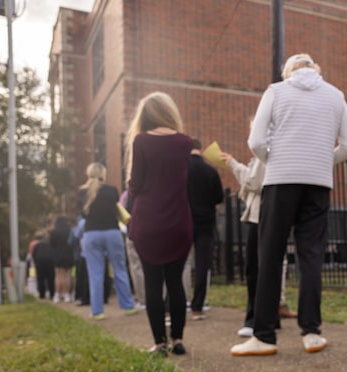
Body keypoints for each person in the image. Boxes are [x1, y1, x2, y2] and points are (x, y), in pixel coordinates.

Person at [230, 53, 347, 356]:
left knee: (270, 255)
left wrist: (276, 161)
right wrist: (323, 160)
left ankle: (263, 335)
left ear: (288, 72)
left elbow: (256, 142)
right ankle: (311, 332)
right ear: (317, 70)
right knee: (311, 256)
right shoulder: (336, 95)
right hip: (318, 184)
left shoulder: (276, 91)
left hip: (280, 181)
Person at [125, 91, 194, 357]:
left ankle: (160, 343)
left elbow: (135, 185)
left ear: (146, 115)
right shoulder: (185, 142)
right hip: (179, 222)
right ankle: (178, 339)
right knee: (175, 282)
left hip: (149, 223)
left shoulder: (141, 141)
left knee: (153, 284)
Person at [221, 152, 294, 339]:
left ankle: (254, 319)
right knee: (267, 267)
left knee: (255, 270)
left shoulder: (265, 153)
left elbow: (254, 182)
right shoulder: (270, 153)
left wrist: (233, 163)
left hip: (260, 215)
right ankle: (270, 317)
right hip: (268, 213)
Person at [77, 162, 137, 320]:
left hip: (91, 234)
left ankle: (97, 311)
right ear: (104, 175)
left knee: (95, 273)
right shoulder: (111, 190)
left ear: (88, 175)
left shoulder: (82, 192)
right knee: (119, 269)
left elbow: (82, 215)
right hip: (112, 232)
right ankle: (128, 306)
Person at [186, 139, 224, 320]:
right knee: (202, 264)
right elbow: (218, 199)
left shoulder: (180, 169)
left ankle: (173, 304)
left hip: (183, 221)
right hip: (205, 222)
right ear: (200, 149)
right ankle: (197, 307)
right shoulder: (210, 171)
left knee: (178, 264)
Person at [120, 190, 146, 311]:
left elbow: (120, 212)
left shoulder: (127, 194)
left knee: (136, 266)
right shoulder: (155, 187)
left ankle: (143, 299)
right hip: (152, 230)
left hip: (133, 232)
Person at [49, 216, 74, 303]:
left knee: (59, 275)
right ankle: (68, 294)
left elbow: (52, 244)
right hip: (69, 254)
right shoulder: (70, 230)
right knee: (68, 275)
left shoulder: (54, 232)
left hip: (58, 255)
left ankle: (58, 294)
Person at [31, 230, 55, 300]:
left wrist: (36, 262)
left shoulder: (37, 245)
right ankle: (52, 293)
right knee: (51, 279)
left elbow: (34, 255)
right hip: (50, 262)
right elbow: (53, 253)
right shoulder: (51, 245)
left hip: (40, 262)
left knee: (40, 279)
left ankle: (42, 294)